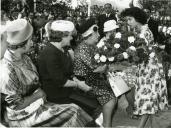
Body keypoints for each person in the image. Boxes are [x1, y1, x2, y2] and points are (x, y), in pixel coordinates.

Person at [0, 19, 93, 127]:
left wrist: (38, 93)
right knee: (74, 112)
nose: (32, 42)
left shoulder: (25, 58)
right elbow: (16, 106)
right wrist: (38, 94)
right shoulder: (8, 69)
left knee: (76, 111)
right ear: (20, 45)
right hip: (22, 116)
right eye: (30, 40)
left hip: (37, 104)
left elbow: (36, 81)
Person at [121, 7, 168, 128]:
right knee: (149, 98)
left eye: (130, 19)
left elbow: (142, 53)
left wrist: (129, 56)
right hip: (146, 67)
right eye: (127, 20)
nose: (128, 22)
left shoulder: (144, 32)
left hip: (149, 69)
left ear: (137, 19)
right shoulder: (140, 31)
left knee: (147, 98)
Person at [74, 18, 117, 127]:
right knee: (110, 98)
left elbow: (99, 65)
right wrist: (107, 64)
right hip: (85, 81)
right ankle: (106, 124)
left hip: (92, 78)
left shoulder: (90, 46)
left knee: (114, 91)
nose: (98, 35)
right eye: (96, 32)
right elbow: (97, 68)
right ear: (89, 34)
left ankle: (102, 120)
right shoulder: (83, 48)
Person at [38, 20, 92, 104]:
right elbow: (61, 81)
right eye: (70, 35)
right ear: (63, 36)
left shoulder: (62, 49)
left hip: (67, 91)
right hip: (57, 96)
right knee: (92, 105)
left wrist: (78, 81)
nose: (71, 38)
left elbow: (68, 73)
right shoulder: (50, 53)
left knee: (93, 102)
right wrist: (79, 85)